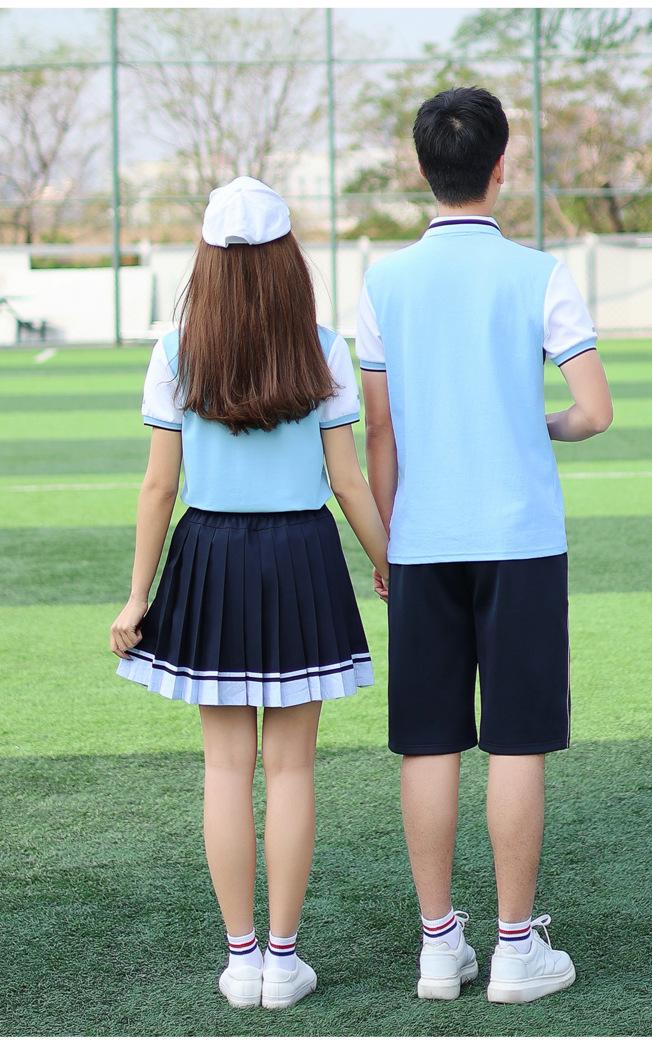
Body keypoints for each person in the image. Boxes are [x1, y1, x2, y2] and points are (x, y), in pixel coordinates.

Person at [356, 87, 613, 1004]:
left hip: (421, 539)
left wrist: (387, 545)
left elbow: (379, 432)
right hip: (520, 540)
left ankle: (438, 948)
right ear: (502, 167)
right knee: (515, 741)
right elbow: (595, 411)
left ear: (423, 168)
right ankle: (513, 949)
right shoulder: (540, 272)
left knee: (427, 743)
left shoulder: (382, 281)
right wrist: (539, 422)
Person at [110, 177, 389, 1011]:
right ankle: (283, 962)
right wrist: (390, 566)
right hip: (302, 556)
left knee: (226, 769)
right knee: (292, 767)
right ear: (286, 259)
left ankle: (241, 964)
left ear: (207, 258)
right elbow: (348, 480)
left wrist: (136, 597)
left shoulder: (175, 353)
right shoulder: (323, 349)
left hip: (210, 556)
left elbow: (159, 488)